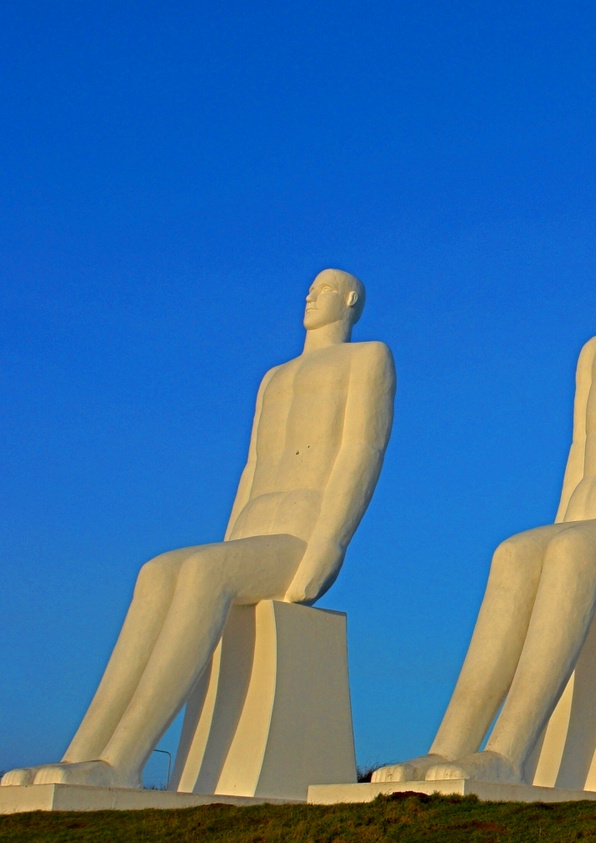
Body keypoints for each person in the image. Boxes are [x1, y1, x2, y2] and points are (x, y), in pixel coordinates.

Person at [4, 269, 395, 788]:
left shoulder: (367, 359)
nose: (308, 294)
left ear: (349, 300)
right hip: (252, 530)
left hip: (297, 536)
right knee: (159, 572)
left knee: (202, 576)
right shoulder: (274, 378)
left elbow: (361, 453)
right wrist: (229, 539)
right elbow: (252, 468)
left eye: (322, 289)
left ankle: (123, 758)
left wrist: (330, 543)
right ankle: (82, 752)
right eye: (309, 287)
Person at [375, 232, 596, 784]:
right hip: (588, 511)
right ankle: (447, 746)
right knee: (514, 554)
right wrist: (561, 516)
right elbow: (581, 449)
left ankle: (509, 749)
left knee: (570, 552)